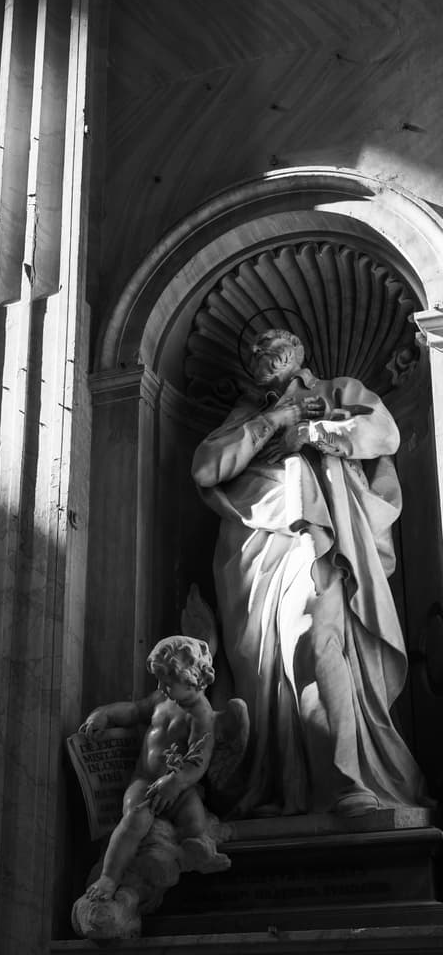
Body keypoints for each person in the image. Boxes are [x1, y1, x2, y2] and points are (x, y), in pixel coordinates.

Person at [191, 328, 426, 817]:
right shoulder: (245, 415)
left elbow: (384, 433)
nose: (260, 349)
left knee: (313, 634)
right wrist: (275, 419)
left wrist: (314, 432)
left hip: (318, 534)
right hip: (254, 548)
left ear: (296, 351)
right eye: (254, 347)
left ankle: (343, 778)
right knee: (262, 665)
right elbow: (206, 469)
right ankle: (283, 786)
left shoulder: (337, 390)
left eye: (272, 341)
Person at [79, 635, 220, 901]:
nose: (160, 687)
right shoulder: (161, 699)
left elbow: (198, 760)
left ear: (190, 679)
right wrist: (105, 714)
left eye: (167, 683)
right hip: (145, 780)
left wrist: (176, 782)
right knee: (135, 818)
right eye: (160, 682)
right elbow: (134, 711)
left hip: (178, 787)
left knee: (194, 821)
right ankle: (109, 877)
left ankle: (194, 852)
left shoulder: (202, 716)